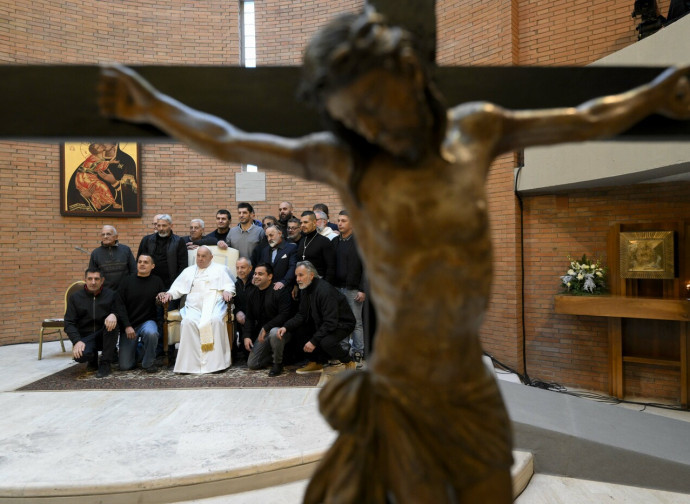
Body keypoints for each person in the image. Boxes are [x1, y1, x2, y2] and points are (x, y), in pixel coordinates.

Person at [100, 7, 690, 500]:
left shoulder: (474, 131)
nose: (358, 117)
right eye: (348, 108)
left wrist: (654, 95)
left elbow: (579, 118)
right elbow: (232, 140)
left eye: (364, 98)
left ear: (403, 73)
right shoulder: (350, 161)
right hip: (396, 380)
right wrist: (151, 107)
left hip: (461, 381)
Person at [158, 246, 235, 374]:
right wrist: (169, 294)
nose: (200, 258)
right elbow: (177, 288)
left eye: (204, 256)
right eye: (198, 255)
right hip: (193, 306)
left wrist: (228, 291)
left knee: (215, 320)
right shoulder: (188, 271)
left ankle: (215, 364)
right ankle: (189, 365)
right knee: (187, 322)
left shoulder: (221, 269)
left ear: (211, 257)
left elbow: (230, 285)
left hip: (214, 304)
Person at [277, 261, 355, 375]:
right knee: (300, 329)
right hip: (323, 321)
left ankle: (348, 361)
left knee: (325, 342)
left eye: (301, 275)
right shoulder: (305, 288)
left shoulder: (325, 290)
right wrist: (286, 327)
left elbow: (331, 322)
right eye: (296, 276)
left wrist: (313, 341)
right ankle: (316, 362)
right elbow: (301, 315)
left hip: (342, 323)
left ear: (311, 275)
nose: (297, 279)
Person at [64, 267, 126, 378]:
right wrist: (77, 341)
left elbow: (120, 313)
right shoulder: (75, 298)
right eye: (90, 279)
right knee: (80, 356)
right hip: (85, 338)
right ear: (85, 279)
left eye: (96, 279)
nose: (93, 282)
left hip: (104, 335)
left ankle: (105, 363)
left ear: (102, 280)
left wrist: (114, 315)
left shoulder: (112, 295)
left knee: (113, 324)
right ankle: (92, 359)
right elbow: (69, 323)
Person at [117, 254, 164, 373]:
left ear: (152, 266)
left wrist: (162, 297)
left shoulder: (157, 281)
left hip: (147, 322)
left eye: (146, 262)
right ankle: (139, 348)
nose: (142, 264)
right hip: (129, 325)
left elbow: (161, 299)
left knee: (152, 333)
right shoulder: (126, 281)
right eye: (140, 262)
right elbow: (119, 305)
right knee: (125, 366)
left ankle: (148, 363)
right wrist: (127, 326)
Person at [244, 264, 293, 376]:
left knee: (274, 332)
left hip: (283, 330)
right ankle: (277, 355)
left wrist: (266, 327)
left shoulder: (279, 291)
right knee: (252, 364)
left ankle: (278, 363)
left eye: (260, 274)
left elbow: (284, 315)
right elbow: (249, 317)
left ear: (270, 276)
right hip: (263, 333)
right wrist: (246, 336)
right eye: (255, 274)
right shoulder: (252, 293)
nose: (256, 276)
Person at [334, 210, 366, 367]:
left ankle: (358, 352)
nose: (340, 223)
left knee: (356, 322)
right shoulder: (335, 241)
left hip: (353, 289)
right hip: (337, 288)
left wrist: (362, 289)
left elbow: (366, 268)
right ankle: (343, 352)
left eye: (343, 220)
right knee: (341, 321)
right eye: (338, 220)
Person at [137, 214, 187, 291]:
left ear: (171, 225)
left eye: (164, 226)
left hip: (170, 283)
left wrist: (177, 283)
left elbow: (183, 265)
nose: (161, 228)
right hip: (149, 281)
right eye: (158, 225)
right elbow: (139, 260)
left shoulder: (179, 241)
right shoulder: (147, 240)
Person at [88, 225, 136, 291]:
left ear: (116, 237)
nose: (105, 236)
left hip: (125, 291)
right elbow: (92, 274)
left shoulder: (126, 250)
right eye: (103, 234)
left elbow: (134, 270)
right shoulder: (95, 253)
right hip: (104, 293)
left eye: (108, 234)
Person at [296, 211, 335, 283]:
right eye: (301, 223)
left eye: (305, 222)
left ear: (314, 222)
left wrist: (325, 286)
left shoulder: (324, 241)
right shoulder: (302, 241)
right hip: (302, 284)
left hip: (319, 285)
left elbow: (331, 267)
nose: (302, 225)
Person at [258, 224, 298, 291]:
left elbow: (293, 267)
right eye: (267, 236)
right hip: (267, 289)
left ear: (279, 234)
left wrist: (284, 282)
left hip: (285, 288)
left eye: (271, 235)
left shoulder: (291, 248)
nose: (269, 239)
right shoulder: (265, 250)